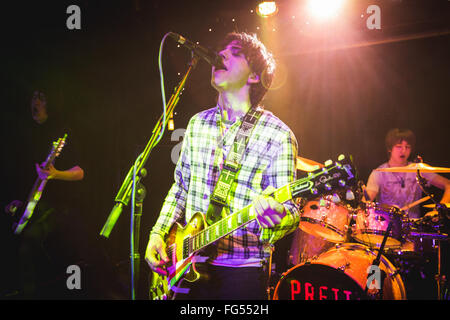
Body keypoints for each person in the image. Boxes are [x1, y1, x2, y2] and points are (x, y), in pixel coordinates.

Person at [145, 32, 300, 300]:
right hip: (186, 265)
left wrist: (277, 217)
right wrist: (158, 232)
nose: (222, 55)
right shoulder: (197, 124)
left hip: (241, 272)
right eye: (222, 50)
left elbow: (291, 212)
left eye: (235, 52)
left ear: (254, 76)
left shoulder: (278, 135)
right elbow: (181, 186)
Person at [5, 90, 84, 298]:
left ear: (48, 103)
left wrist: (56, 174)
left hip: (60, 208)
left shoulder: (62, 133)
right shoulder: (25, 134)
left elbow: (80, 173)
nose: (35, 102)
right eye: (32, 97)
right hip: (33, 207)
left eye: (40, 98)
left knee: (30, 243)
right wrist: (16, 201)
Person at [365, 128, 450, 219]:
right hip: (386, 227)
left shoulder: (418, 170)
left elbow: (448, 184)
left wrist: (439, 211)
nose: (403, 150)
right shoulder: (378, 173)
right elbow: (366, 202)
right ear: (390, 149)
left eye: (407, 147)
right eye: (399, 146)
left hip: (413, 228)